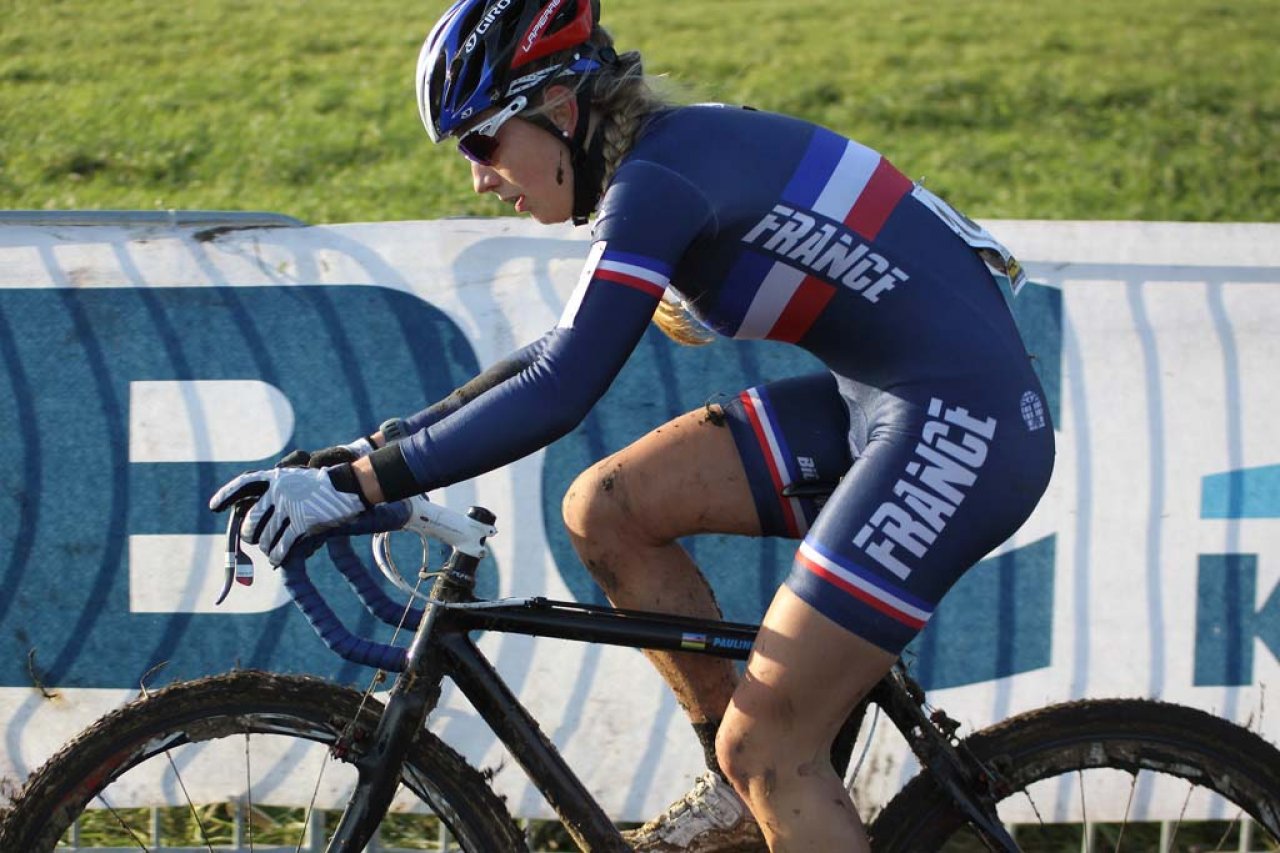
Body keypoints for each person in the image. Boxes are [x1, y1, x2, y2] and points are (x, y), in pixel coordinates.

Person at [210, 0, 1056, 849]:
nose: (477, 176)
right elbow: (554, 351)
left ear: (562, 109)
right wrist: (368, 455)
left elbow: (559, 388)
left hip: (958, 428)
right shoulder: (664, 157)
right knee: (608, 509)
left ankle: (759, 771)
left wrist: (356, 486)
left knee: (769, 746)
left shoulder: (660, 181)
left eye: (482, 141)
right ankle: (740, 799)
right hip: (885, 400)